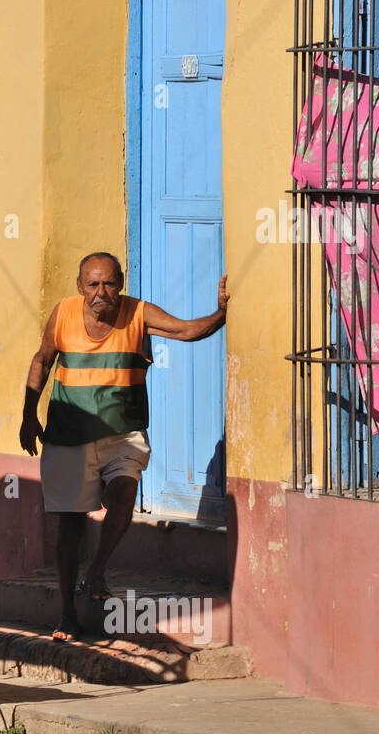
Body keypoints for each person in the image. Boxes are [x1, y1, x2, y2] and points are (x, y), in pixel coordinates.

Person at [19, 252, 228, 641]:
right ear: (80, 287)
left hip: (123, 432)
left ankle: (97, 568)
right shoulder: (63, 313)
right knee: (71, 524)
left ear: (121, 283)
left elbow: (184, 330)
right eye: (93, 285)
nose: (102, 292)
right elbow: (42, 360)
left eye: (109, 283)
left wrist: (220, 314)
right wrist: (29, 415)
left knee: (125, 493)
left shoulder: (138, 313)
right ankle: (67, 613)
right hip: (69, 434)